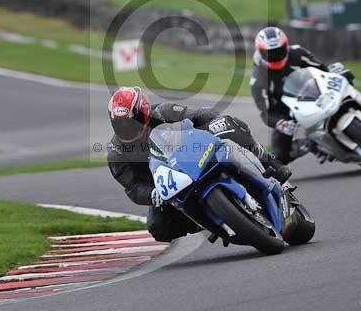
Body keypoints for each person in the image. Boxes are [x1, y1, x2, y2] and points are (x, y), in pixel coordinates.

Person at [107, 86, 291, 243]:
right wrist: (153, 194)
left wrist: (211, 126)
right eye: (120, 124)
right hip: (170, 185)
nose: (127, 128)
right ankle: (208, 218)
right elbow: (132, 188)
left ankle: (270, 163)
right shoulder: (117, 154)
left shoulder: (163, 113)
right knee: (158, 228)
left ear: (145, 112)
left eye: (133, 120)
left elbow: (201, 114)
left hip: (195, 157)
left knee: (228, 125)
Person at [250, 26, 354, 165]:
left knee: (345, 76)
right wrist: (280, 123)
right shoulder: (258, 80)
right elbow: (265, 112)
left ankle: (356, 108)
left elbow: (321, 69)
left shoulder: (298, 52)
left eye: (279, 51)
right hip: (287, 110)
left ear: (286, 46)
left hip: (314, 91)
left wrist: (333, 72)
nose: (275, 57)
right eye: (269, 53)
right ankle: (311, 144)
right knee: (279, 156)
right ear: (260, 52)